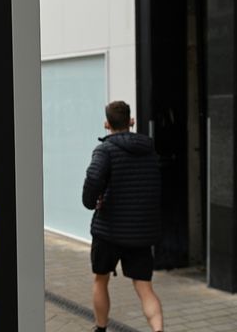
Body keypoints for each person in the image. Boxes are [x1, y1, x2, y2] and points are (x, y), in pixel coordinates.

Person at [82, 101, 164, 332]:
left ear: (106, 124)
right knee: (144, 287)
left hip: (108, 230)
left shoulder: (105, 150)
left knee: (100, 279)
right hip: (140, 232)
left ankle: (101, 328)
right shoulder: (149, 149)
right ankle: (158, 330)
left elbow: (93, 181)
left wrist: (90, 203)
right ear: (131, 121)